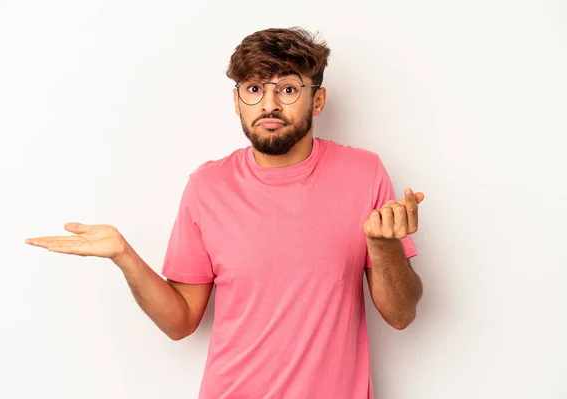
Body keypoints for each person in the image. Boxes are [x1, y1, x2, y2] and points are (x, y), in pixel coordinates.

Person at [26, 27, 424, 399]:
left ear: (317, 100)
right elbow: (181, 322)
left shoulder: (364, 172)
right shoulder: (207, 186)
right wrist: (124, 256)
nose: (269, 104)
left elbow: (401, 315)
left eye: (287, 88)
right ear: (237, 102)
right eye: (254, 88)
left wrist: (384, 247)